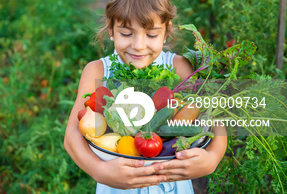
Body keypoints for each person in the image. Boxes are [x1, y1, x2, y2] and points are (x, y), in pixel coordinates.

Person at [63, 0, 227, 193]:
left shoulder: (181, 68)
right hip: (117, 186)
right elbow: (72, 136)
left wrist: (212, 158)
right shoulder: (97, 71)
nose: (139, 46)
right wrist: (99, 170)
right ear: (110, 29)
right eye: (126, 33)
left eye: (151, 34)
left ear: (166, 32)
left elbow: (217, 124)